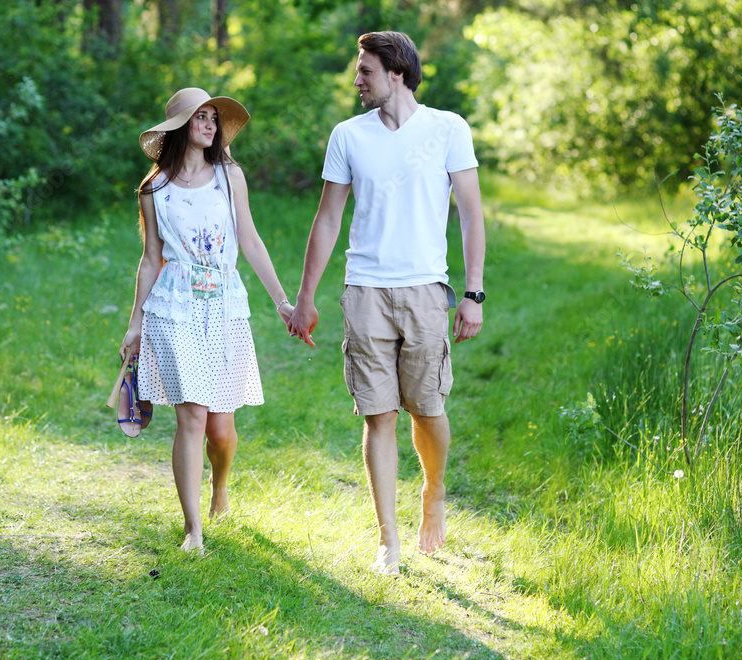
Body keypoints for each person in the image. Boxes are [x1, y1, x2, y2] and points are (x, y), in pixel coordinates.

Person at [287, 31, 486, 575]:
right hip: (365, 290)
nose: (357, 80)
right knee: (378, 418)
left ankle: (435, 492)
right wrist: (305, 297)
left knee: (428, 409)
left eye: (366, 71)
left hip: (426, 289)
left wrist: (472, 293)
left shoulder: (447, 129)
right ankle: (388, 543)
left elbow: (470, 212)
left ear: (396, 73)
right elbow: (328, 220)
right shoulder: (348, 136)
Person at [119, 87, 294, 552]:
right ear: (179, 126)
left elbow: (251, 241)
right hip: (173, 305)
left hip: (222, 303)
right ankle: (192, 530)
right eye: (201, 116)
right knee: (192, 417)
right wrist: (135, 323)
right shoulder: (153, 188)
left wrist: (282, 302)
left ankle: (220, 487)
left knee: (220, 428)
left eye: (214, 117)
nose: (210, 124)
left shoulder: (229, 175)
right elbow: (151, 257)